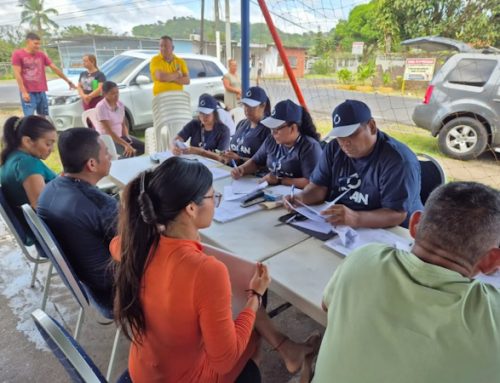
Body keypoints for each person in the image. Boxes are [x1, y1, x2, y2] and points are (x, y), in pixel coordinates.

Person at [112, 157, 319, 382]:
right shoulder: (207, 271)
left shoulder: (136, 244)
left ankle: (289, 352)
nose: (215, 201)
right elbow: (225, 360)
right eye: (213, 196)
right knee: (250, 333)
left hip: (144, 370)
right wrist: (255, 297)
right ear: (191, 208)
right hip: (182, 377)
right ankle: (283, 356)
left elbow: (115, 244)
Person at [311, 182, 500, 383]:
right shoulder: (492, 316)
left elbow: (327, 306)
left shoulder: (363, 258)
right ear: (492, 261)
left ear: (414, 224)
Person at [287, 99, 422, 228]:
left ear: (372, 127)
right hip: (343, 225)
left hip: (393, 232)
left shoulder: (397, 160)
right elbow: (318, 187)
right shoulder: (334, 149)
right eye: (340, 136)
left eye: (351, 134)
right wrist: (301, 198)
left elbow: (397, 214)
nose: (345, 142)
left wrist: (356, 218)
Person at [38, 128, 118, 310]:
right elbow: (139, 247)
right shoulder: (101, 205)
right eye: (106, 152)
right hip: (114, 292)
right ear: (92, 164)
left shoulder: (49, 190)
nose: (111, 156)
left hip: (89, 281)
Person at [232, 99, 322, 189]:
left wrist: (281, 180)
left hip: (296, 197)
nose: (272, 133)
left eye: (276, 129)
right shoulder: (272, 140)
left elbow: (311, 182)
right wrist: (242, 169)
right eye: (271, 128)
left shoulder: (310, 147)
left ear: (293, 128)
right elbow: (256, 162)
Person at [0, 115, 57, 215]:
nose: (51, 150)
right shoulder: (27, 164)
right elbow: (41, 207)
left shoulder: (9, 159)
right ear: (27, 141)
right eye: (48, 144)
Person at [11, 32, 75, 117]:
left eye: (39, 44)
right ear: (28, 42)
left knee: (43, 117)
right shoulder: (18, 54)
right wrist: (24, 92)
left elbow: (54, 68)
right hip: (29, 91)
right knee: (29, 118)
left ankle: (41, 130)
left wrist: (68, 81)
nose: (38, 46)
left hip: (41, 91)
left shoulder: (41, 55)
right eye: (35, 43)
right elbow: (17, 74)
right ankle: (30, 130)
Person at [221, 86, 271, 165]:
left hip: (254, 176)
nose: (247, 109)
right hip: (233, 171)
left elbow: (269, 163)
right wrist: (228, 155)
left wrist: (240, 159)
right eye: (245, 105)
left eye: (251, 106)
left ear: (263, 106)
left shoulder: (269, 129)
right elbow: (234, 149)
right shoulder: (242, 124)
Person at [172, 94, 230, 161]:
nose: (203, 117)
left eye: (207, 114)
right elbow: (176, 139)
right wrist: (174, 147)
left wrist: (200, 152)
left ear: (214, 113)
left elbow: (222, 158)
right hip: (194, 163)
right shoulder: (194, 124)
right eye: (201, 113)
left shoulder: (223, 130)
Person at [95, 81, 144, 157]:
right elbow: (109, 132)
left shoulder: (120, 104)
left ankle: (125, 160)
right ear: (104, 94)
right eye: (112, 93)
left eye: (117, 93)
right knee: (130, 153)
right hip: (108, 139)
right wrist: (126, 145)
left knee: (142, 147)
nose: (116, 95)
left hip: (120, 136)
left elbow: (123, 124)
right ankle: (122, 162)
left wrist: (127, 138)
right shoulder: (101, 107)